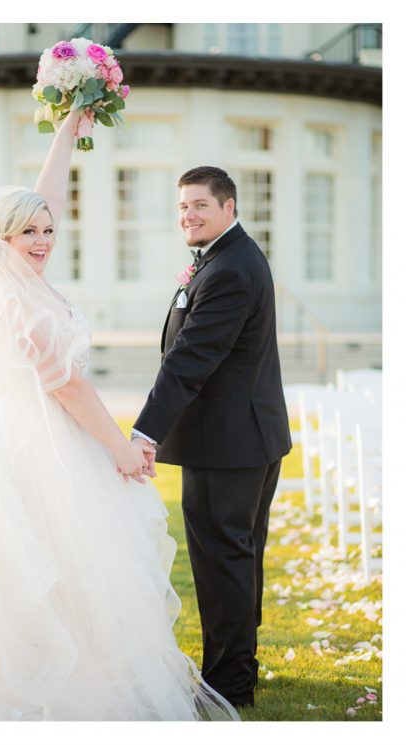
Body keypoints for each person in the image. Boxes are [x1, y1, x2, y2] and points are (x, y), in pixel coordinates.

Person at [0, 109, 238, 721]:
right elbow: (69, 387)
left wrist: (68, 129)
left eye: (49, 230)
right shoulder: (15, 301)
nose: (44, 239)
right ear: (2, 240)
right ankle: (37, 681)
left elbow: (43, 197)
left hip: (39, 431)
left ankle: (82, 667)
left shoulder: (24, 277)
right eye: (29, 233)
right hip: (30, 441)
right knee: (39, 560)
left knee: (70, 559)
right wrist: (121, 447)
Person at [132, 166, 292, 708]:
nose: (189, 215)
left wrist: (144, 431)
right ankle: (238, 671)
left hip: (228, 444)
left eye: (200, 205)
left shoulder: (229, 269)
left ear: (228, 206)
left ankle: (228, 684)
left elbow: (191, 358)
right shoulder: (227, 257)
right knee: (238, 559)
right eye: (182, 207)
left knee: (224, 562)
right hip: (246, 438)